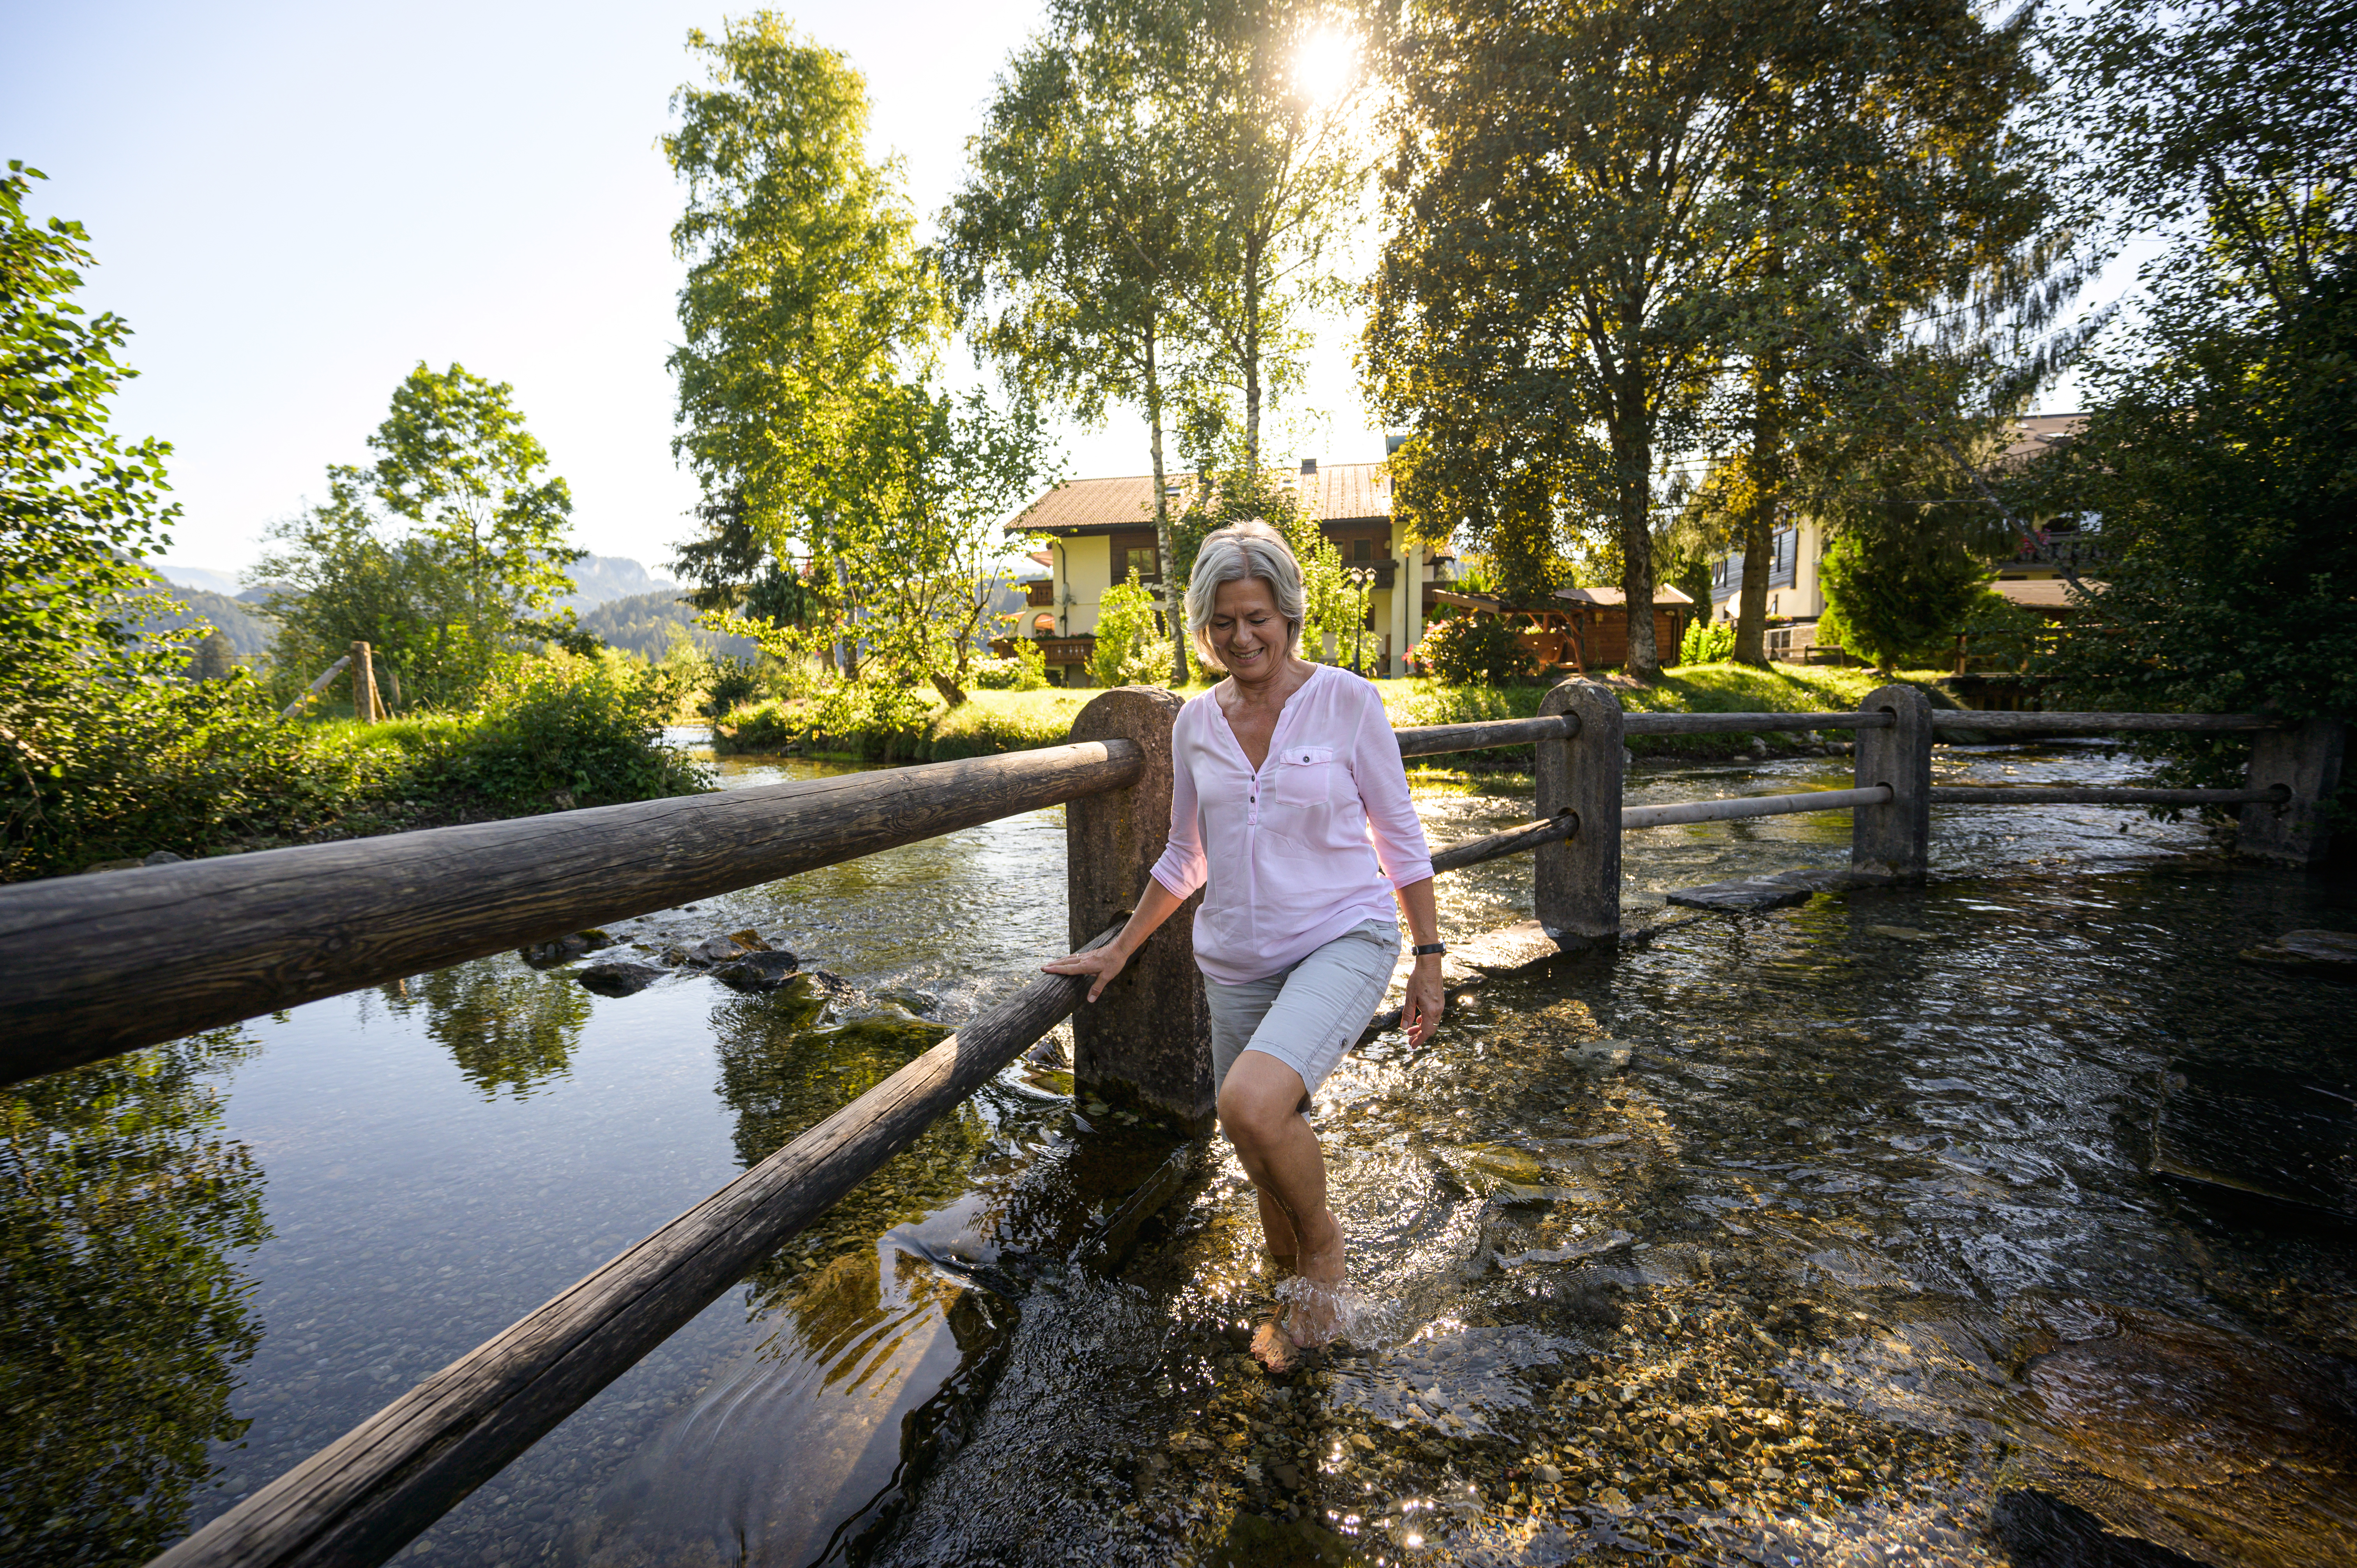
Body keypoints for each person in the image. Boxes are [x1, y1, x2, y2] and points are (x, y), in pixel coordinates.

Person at [1044, 519, 1445, 1371]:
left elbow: (1400, 833)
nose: (1242, 636)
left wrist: (1429, 955)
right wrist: (1120, 947)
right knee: (1262, 1140)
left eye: (1257, 616)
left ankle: (1326, 1251)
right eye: (1223, 621)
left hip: (1346, 933)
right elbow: (1186, 855)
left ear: (1289, 615)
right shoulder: (1196, 722)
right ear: (1203, 626)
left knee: (1249, 1105)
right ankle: (1292, 1292)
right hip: (1234, 958)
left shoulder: (1348, 701)